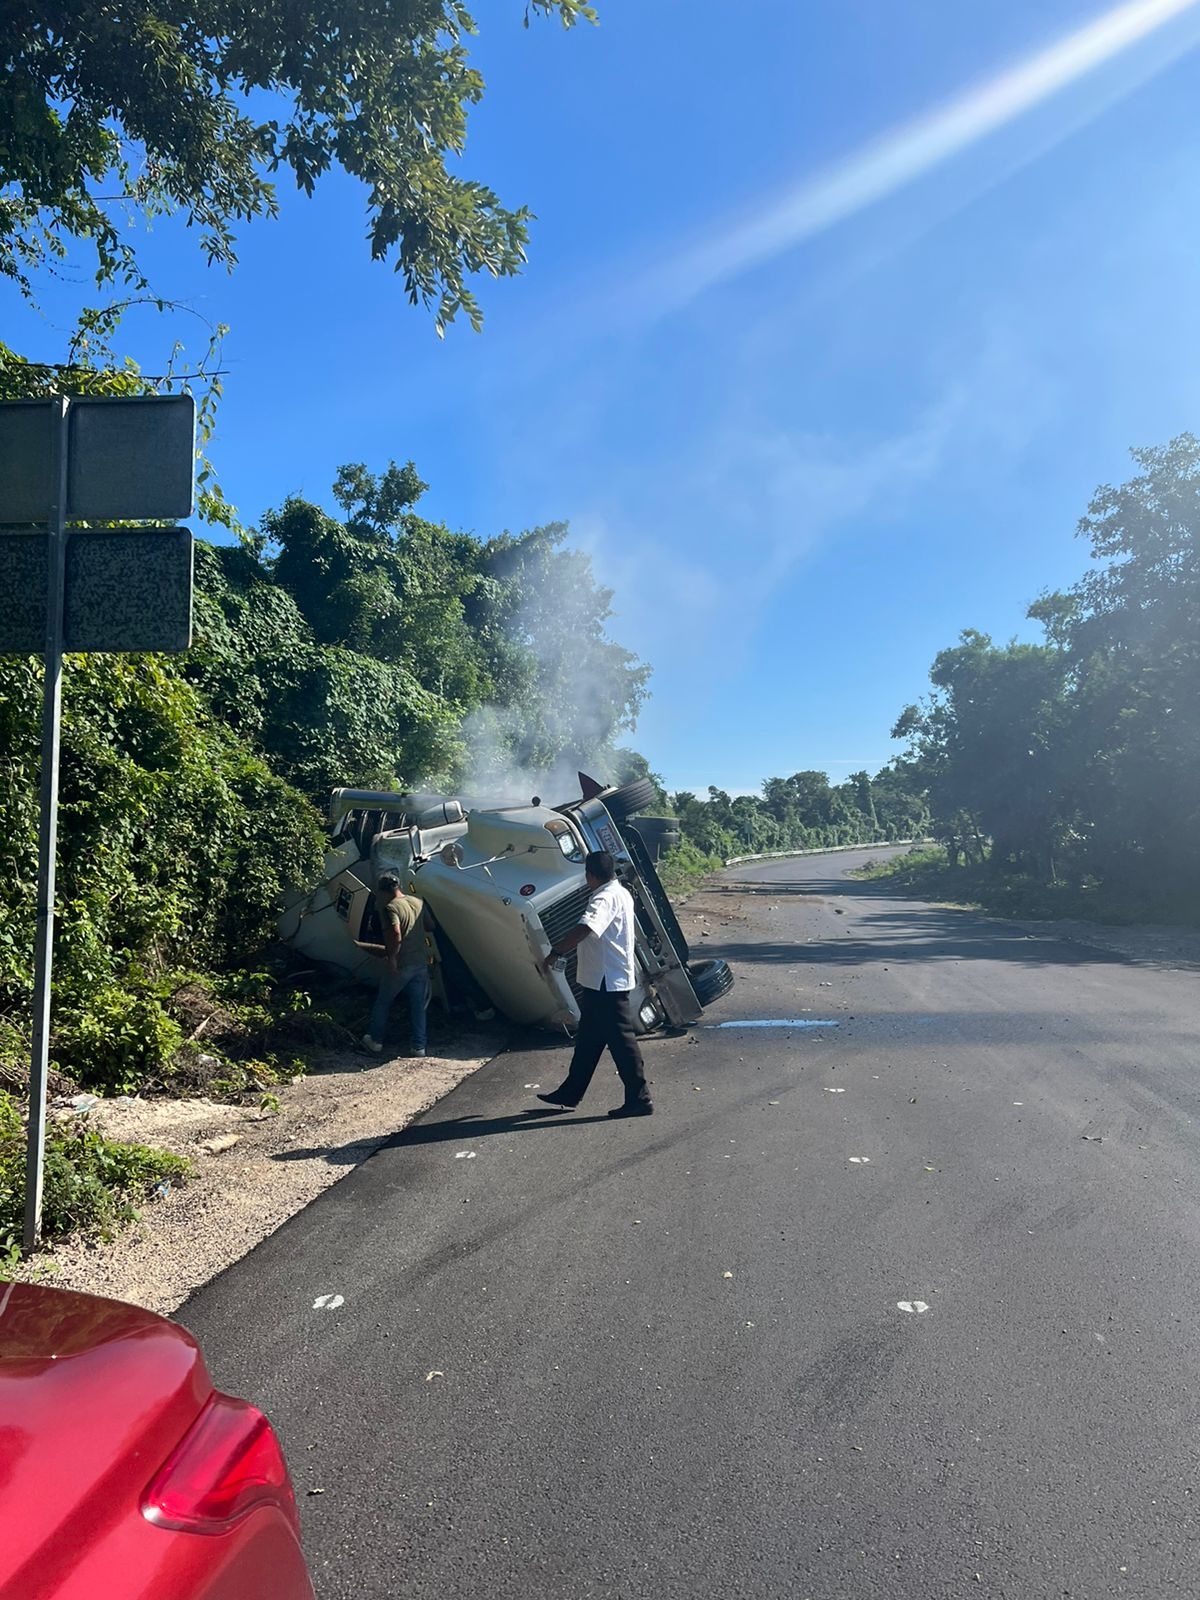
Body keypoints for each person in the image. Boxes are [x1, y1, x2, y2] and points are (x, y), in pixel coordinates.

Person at [535, 850, 653, 1118]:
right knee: (588, 1041)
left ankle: (640, 1098)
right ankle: (570, 1092)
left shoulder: (604, 897)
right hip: (603, 980)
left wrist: (556, 951)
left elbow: (586, 927)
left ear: (589, 875)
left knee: (623, 1044)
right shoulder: (620, 892)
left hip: (606, 982)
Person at [362, 872, 429, 1057]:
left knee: (383, 1001)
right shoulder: (418, 902)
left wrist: (392, 957)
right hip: (420, 962)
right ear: (399, 886)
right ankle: (419, 1046)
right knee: (418, 1005)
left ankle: (375, 1041)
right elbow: (430, 925)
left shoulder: (390, 907)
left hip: (402, 963)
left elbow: (395, 932)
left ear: (383, 891)